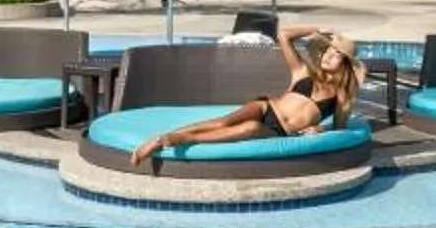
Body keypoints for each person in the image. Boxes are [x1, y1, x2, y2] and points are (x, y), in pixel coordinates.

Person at [129, 19, 364, 168]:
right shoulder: (302, 71)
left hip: (279, 130)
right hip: (266, 106)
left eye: (336, 55)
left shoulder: (341, 96)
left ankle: (171, 141)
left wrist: (319, 128)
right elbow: (283, 35)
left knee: (249, 129)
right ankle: (160, 138)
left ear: (345, 63)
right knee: (223, 122)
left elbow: (340, 129)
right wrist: (316, 30)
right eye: (327, 52)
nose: (328, 56)